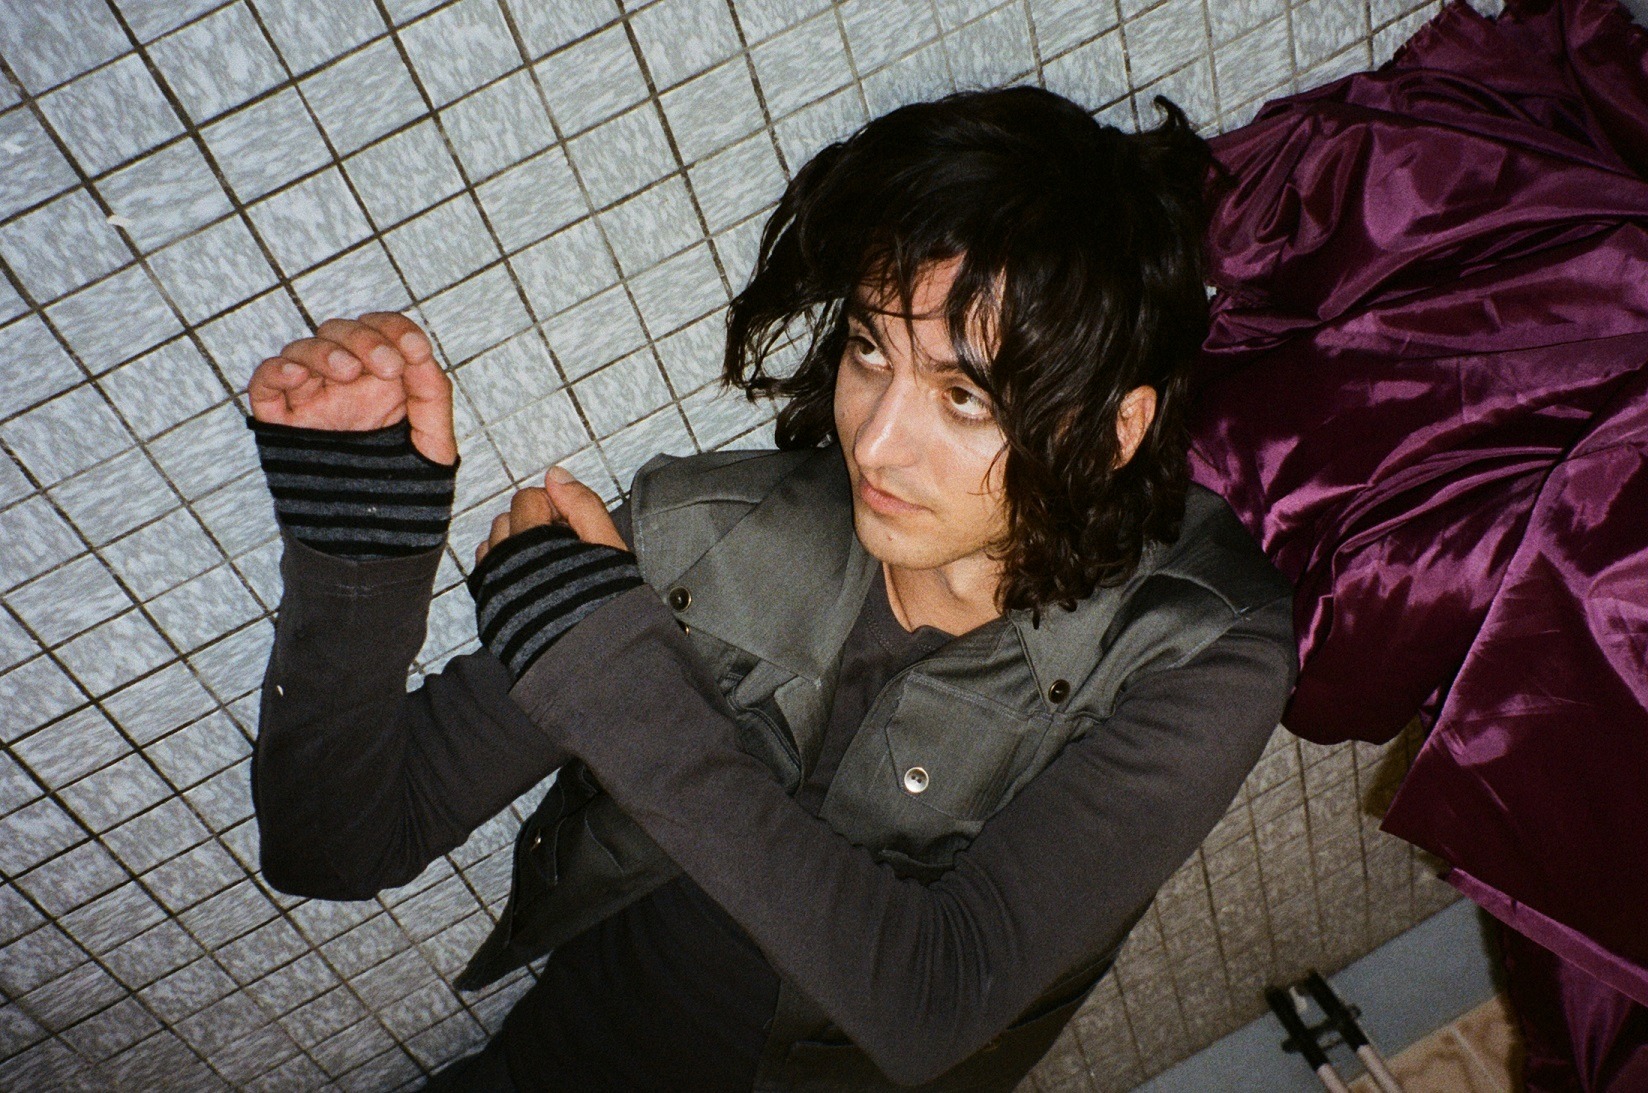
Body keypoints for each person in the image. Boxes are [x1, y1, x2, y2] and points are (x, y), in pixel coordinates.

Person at [245, 87, 1296, 1092]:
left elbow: (936, 997)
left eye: (963, 398)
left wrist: (619, 687)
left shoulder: (1200, 646)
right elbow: (335, 844)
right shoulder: (710, 541)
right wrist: (360, 560)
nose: (874, 440)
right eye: (869, 350)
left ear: (1111, 431)